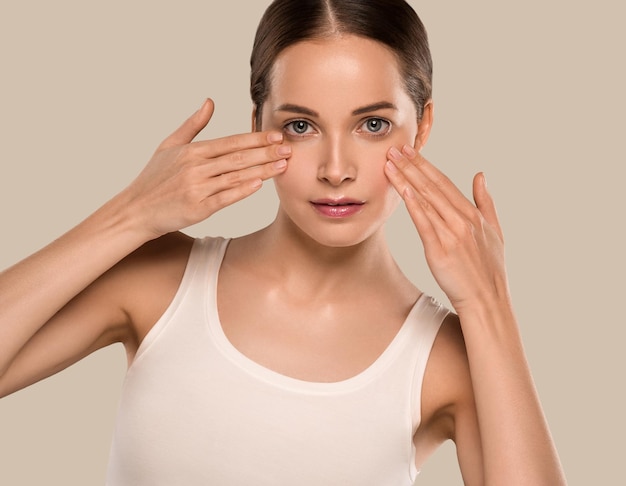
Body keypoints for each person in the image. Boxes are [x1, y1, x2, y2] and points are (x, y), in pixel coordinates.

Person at [0, 0, 566, 484]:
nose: (336, 169)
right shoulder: (161, 282)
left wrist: (489, 304)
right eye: (301, 125)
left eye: (372, 125)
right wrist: (132, 215)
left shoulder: (445, 359)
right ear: (257, 126)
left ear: (421, 127)